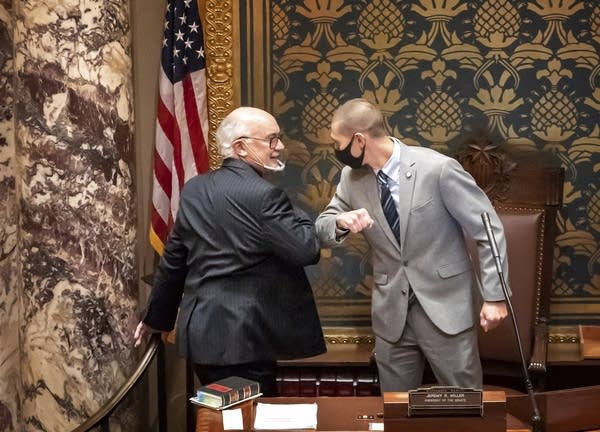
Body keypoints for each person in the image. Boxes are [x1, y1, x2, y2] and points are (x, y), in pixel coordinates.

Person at [315, 98, 509, 392]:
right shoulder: (351, 178)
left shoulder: (438, 169)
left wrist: (496, 296)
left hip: (445, 308)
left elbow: (488, 229)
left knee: (465, 404)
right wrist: (341, 221)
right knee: (396, 408)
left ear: (358, 140)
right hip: (391, 313)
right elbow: (322, 226)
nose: (335, 150)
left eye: (337, 142)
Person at [134, 107, 326, 396]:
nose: (280, 146)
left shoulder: (194, 189)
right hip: (246, 339)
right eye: (272, 139)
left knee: (222, 420)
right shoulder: (265, 195)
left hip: (202, 337)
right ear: (240, 147)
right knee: (252, 422)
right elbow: (306, 249)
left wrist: (156, 319)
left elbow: (174, 259)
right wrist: (297, 211)